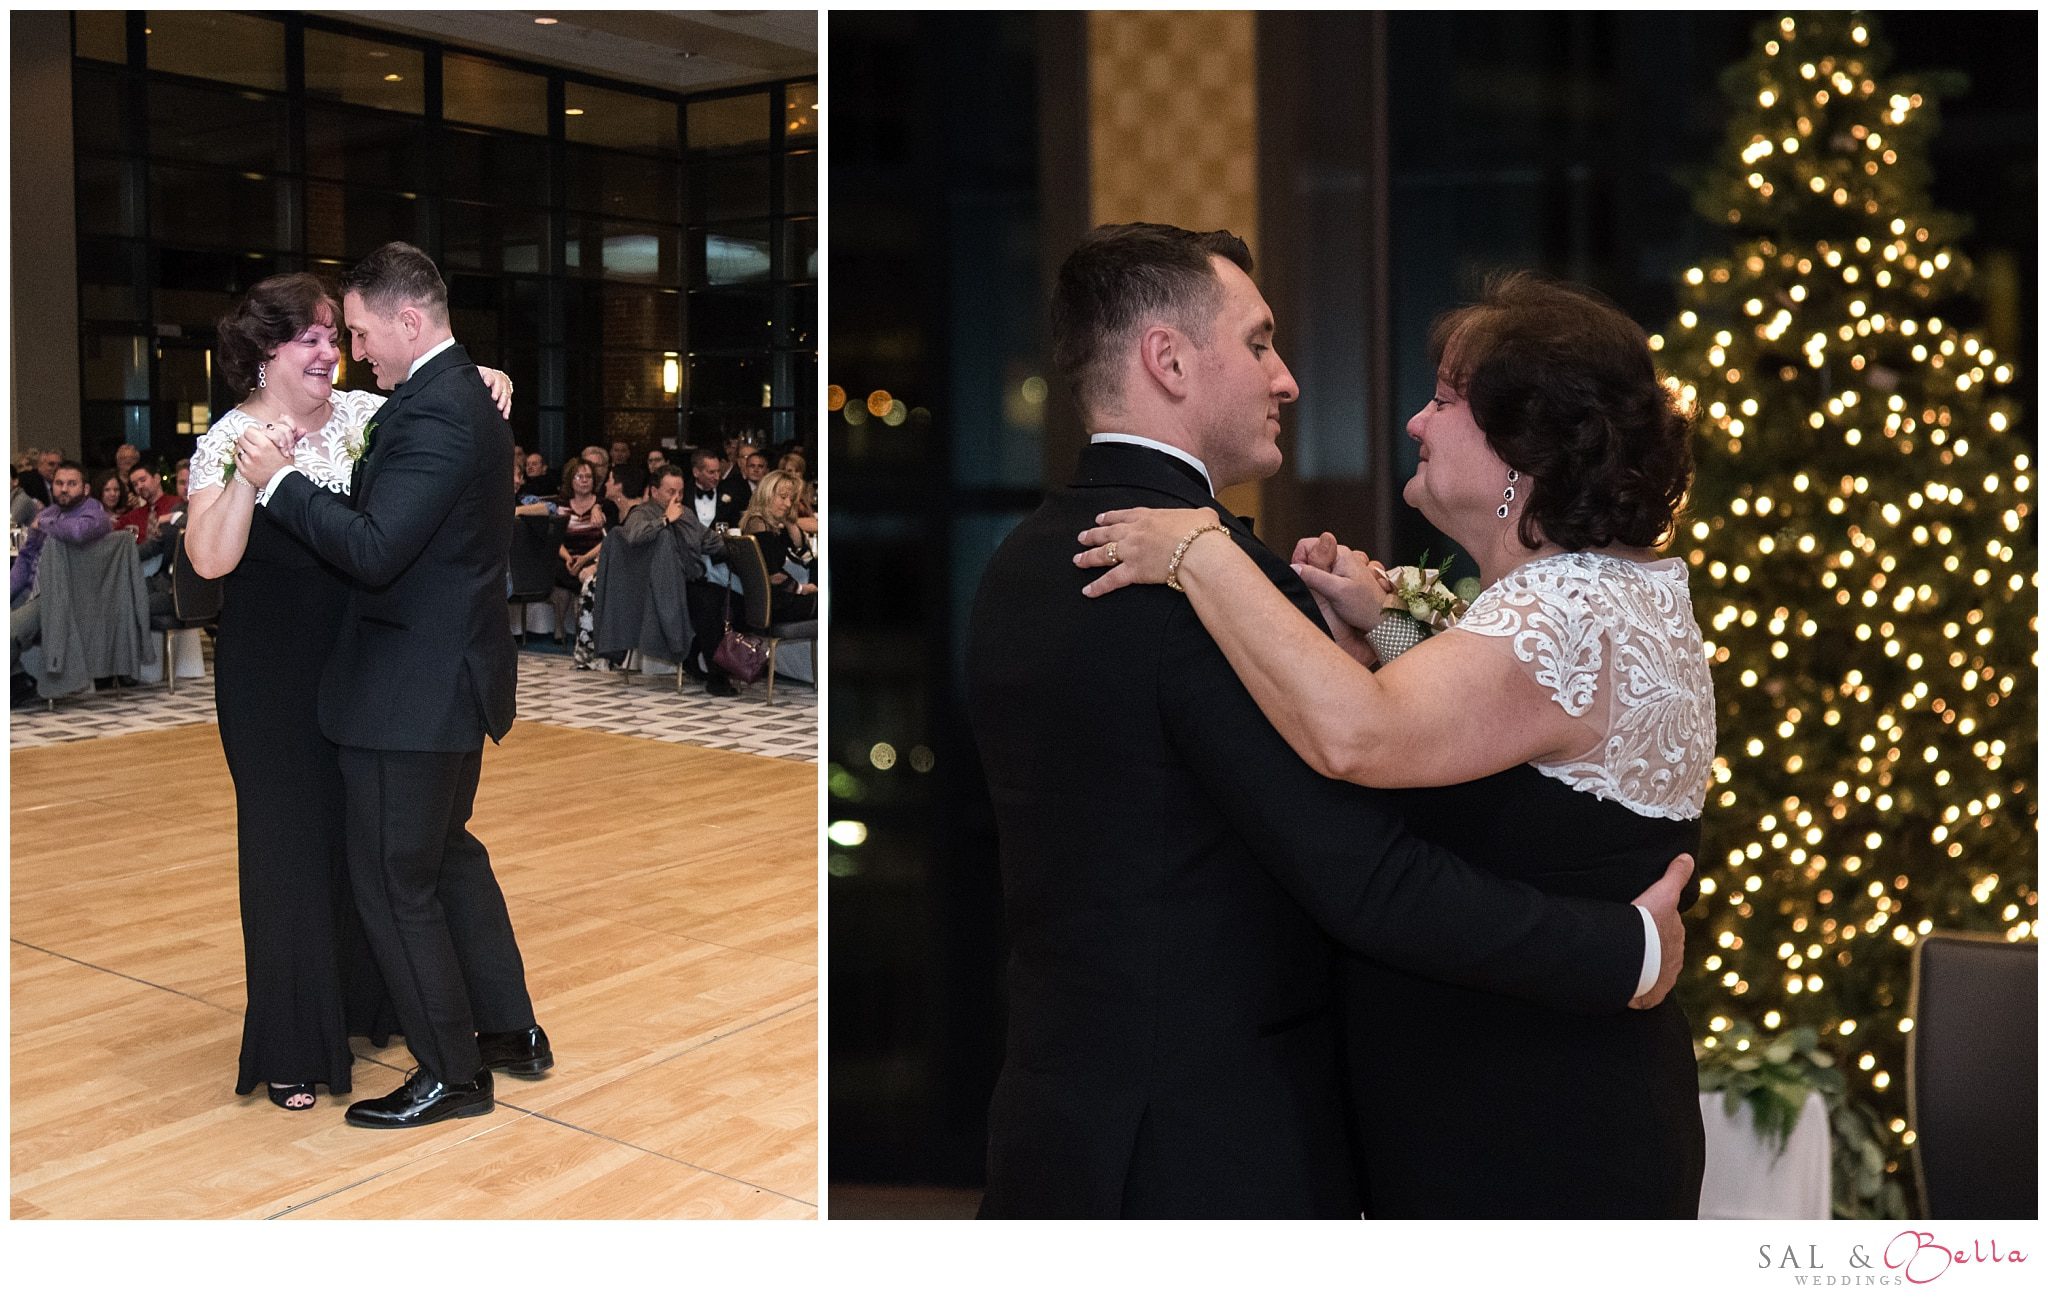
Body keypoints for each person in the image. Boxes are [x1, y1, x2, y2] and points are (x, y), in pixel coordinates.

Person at [965, 222, 1693, 1218]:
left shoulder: (1021, 563)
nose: (1289, 378)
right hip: (1203, 1152)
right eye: (1260, 342)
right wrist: (1622, 950)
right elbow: (1365, 870)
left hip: (1065, 1119)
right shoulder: (1184, 576)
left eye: (1441, 399)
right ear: (1167, 361)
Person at [187, 263, 520, 1118]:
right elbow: (210, 561)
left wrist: (490, 376)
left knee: (359, 851)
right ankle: (295, 1044)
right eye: (313, 338)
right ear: (265, 352)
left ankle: (367, 1011)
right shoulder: (230, 437)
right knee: (289, 854)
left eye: (338, 335)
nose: (332, 352)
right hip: (271, 683)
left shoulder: (365, 417)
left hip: (363, 675)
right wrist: (250, 475)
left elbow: (439, 402)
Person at [11, 462, 112, 703]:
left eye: (71, 484)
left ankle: (17, 683)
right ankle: (18, 680)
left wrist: (43, 524)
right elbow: (25, 559)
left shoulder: (94, 512)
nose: (64, 489)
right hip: (34, 593)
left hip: (66, 598)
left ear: (85, 488)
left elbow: (77, 532)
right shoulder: (47, 514)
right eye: (59, 483)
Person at [736, 468, 818, 621]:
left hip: (774, 601)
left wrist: (789, 520)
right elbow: (773, 576)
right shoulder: (759, 525)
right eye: (783, 497)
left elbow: (800, 550)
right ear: (767, 494)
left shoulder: (765, 523)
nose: (788, 504)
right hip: (777, 605)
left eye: (791, 499)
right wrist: (803, 589)